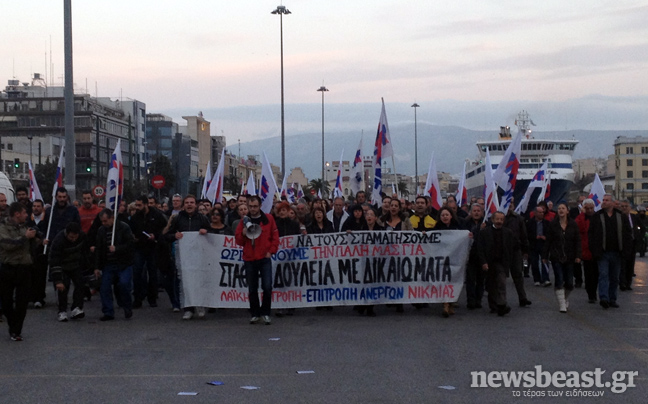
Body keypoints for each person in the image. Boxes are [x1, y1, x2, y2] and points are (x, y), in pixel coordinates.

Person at [163, 195, 210, 319]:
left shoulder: (203, 218)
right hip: (183, 256)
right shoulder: (178, 219)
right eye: (187, 203)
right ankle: (188, 308)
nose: (189, 205)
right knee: (185, 281)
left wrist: (206, 232)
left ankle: (200, 305)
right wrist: (174, 235)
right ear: (184, 205)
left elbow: (211, 235)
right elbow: (167, 235)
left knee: (199, 280)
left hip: (199, 255)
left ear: (195, 205)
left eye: (192, 202)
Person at [235, 195, 279, 325]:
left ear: (260, 206)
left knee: (267, 286)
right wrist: (242, 234)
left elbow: (275, 237)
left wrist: (271, 251)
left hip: (264, 258)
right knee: (252, 288)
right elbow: (238, 241)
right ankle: (255, 313)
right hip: (250, 258)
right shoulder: (243, 221)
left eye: (255, 206)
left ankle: (265, 313)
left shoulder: (269, 219)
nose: (253, 209)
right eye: (250, 206)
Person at [0, 203, 37, 341]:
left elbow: (30, 245)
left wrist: (37, 238)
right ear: (17, 214)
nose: (27, 215)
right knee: (6, 301)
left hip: (24, 268)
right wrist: (25, 238)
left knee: (22, 302)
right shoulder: (3, 227)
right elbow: (7, 245)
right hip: (8, 267)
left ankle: (16, 331)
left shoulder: (25, 227)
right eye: (24, 213)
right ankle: (12, 324)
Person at [588, 194, 633, 309]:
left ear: (613, 203)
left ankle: (612, 298)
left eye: (607, 200)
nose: (604, 202)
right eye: (603, 200)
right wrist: (594, 250)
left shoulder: (620, 217)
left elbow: (627, 234)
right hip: (602, 253)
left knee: (614, 277)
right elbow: (591, 234)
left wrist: (626, 251)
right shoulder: (597, 216)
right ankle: (604, 298)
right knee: (603, 275)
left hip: (617, 252)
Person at [94, 209, 135, 321]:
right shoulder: (101, 231)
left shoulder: (124, 227)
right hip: (108, 264)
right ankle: (108, 312)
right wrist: (97, 267)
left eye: (105, 221)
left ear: (112, 218)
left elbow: (130, 244)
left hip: (123, 263)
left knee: (124, 284)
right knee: (104, 288)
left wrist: (117, 248)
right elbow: (99, 249)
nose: (104, 223)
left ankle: (127, 306)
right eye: (102, 221)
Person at [543, 202, 582, 313]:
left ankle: (565, 298)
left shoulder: (573, 224)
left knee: (569, 282)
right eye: (559, 208)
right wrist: (545, 255)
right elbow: (548, 241)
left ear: (567, 211)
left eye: (563, 208)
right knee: (559, 279)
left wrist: (578, 255)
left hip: (570, 256)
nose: (560, 210)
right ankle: (561, 304)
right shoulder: (553, 225)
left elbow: (577, 241)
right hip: (556, 256)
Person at [130, 195, 168, 308]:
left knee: (152, 273)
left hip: (152, 247)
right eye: (136, 205)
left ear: (146, 204)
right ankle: (138, 298)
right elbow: (131, 230)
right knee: (137, 273)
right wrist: (133, 237)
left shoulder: (156, 215)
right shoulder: (136, 217)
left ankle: (152, 297)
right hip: (139, 247)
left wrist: (155, 235)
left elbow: (164, 229)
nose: (137, 207)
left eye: (139, 205)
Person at [48, 222, 90, 321]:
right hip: (62, 266)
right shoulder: (59, 241)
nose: (73, 239)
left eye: (75, 237)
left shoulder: (82, 237)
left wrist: (87, 267)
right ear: (67, 233)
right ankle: (62, 311)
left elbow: (85, 252)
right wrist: (58, 280)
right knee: (63, 287)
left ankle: (77, 307)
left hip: (76, 264)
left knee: (80, 284)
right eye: (71, 237)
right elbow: (54, 260)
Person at [477, 211, 516, 316]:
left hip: (501, 263)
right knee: (491, 285)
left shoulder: (508, 233)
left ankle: (502, 304)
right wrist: (483, 262)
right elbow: (480, 249)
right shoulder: (484, 232)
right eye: (497, 219)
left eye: (501, 219)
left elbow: (511, 248)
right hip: (489, 262)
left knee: (501, 283)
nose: (499, 221)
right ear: (493, 220)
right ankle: (493, 305)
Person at [434, 207, 462, 318]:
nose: (445, 217)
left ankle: (450, 303)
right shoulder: (436, 228)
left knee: (452, 280)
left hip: (454, 259)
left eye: (447, 215)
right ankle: (445, 304)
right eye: (442, 215)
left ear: (451, 216)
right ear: (440, 217)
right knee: (443, 280)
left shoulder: (458, 227)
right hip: (441, 259)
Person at [504, 202, 532, 308]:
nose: (510, 204)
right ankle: (500, 299)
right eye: (508, 202)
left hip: (515, 250)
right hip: (501, 251)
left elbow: (523, 235)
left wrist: (525, 251)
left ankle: (522, 298)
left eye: (512, 202)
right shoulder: (497, 217)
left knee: (518, 275)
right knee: (500, 277)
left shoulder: (518, 219)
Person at [463, 204, 486, 309]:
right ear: (470, 212)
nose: (476, 213)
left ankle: (478, 299)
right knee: (470, 279)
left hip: (482, 256)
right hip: (470, 255)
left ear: (482, 212)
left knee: (480, 279)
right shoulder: (465, 223)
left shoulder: (486, 224)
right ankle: (471, 300)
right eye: (474, 211)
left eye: (478, 211)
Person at [575, 199, 598, 303]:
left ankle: (594, 291)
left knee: (597, 274)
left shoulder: (597, 217)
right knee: (589, 274)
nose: (589, 210)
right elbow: (579, 228)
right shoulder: (581, 218)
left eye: (591, 208)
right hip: (586, 249)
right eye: (587, 208)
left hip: (597, 250)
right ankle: (591, 294)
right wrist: (582, 215)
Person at [527, 205, 551, 287]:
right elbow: (527, 234)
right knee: (534, 262)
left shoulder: (547, 223)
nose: (542, 214)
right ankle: (537, 279)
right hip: (534, 244)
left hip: (543, 244)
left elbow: (550, 234)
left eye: (542, 212)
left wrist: (546, 237)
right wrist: (535, 237)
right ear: (535, 213)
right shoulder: (530, 223)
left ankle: (546, 279)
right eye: (540, 212)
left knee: (544, 261)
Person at [619, 199, 639, 291]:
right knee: (623, 264)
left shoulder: (634, 217)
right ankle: (622, 283)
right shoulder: (619, 217)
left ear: (630, 207)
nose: (624, 208)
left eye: (626, 206)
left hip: (632, 243)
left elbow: (641, 227)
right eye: (622, 206)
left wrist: (638, 236)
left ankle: (628, 283)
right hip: (622, 244)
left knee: (630, 264)